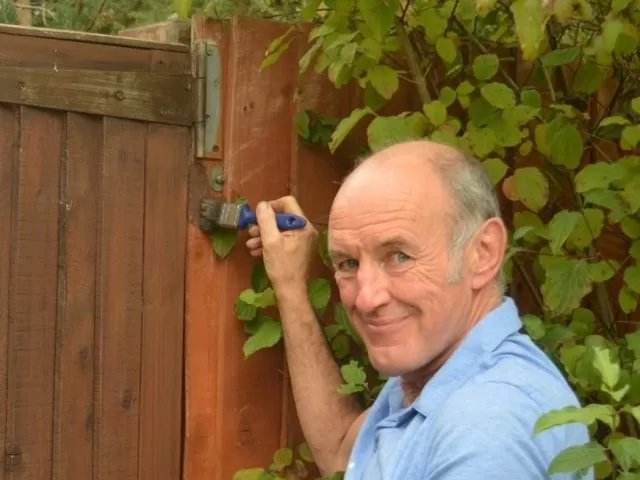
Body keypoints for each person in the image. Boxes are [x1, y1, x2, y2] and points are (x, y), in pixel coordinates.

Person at [245, 140, 591, 480]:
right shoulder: (442, 371)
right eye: (349, 262)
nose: (367, 298)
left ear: (483, 253)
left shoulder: (485, 425)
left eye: (399, 256)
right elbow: (343, 454)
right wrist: (290, 287)